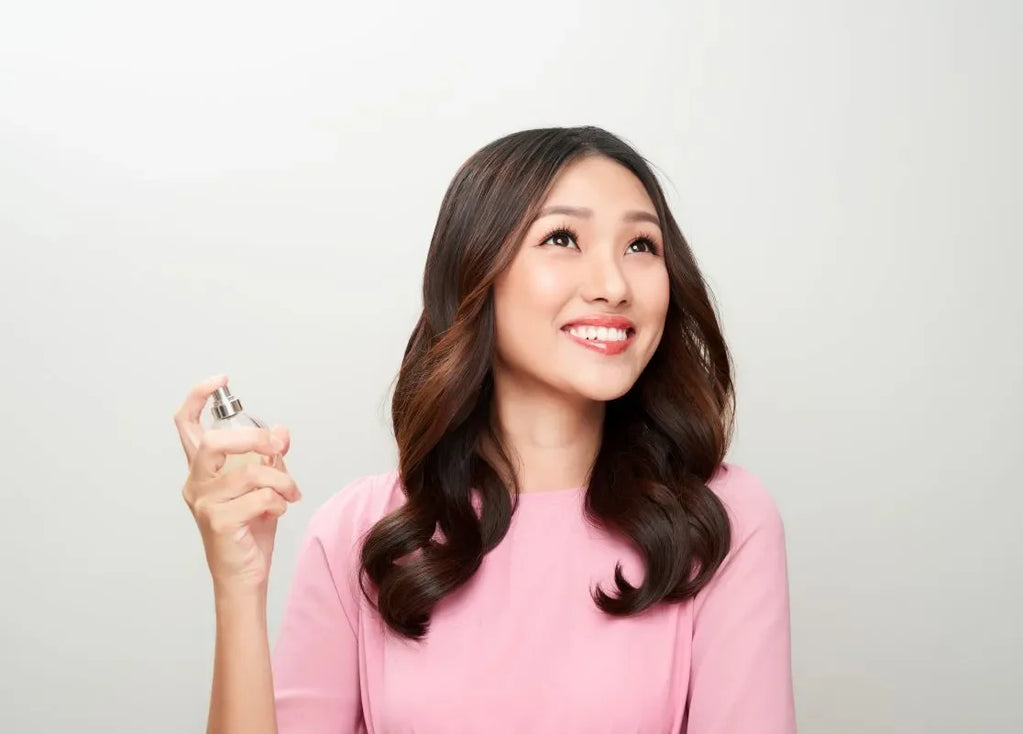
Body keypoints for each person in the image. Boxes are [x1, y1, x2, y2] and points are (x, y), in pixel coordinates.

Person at [174, 126, 796, 733]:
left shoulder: (721, 522)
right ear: (477, 273)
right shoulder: (357, 533)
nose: (613, 286)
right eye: (562, 238)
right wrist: (238, 586)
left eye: (641, 246)